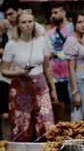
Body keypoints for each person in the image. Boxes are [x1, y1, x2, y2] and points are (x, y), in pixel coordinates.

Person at [0, 11, 57, 141]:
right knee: (22, 127)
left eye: (30, 22)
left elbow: (47, 66)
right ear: (18, 25)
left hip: (41, 86)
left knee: (47, 124)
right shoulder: (11, 45)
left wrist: (53, 88)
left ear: (34, 23)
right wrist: (17, 73)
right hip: (20, 87)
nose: (27, 25)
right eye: (24, 22)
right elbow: (4, 70)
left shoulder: (41, 41)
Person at [63, 12, 84, 121]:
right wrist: (75, 92)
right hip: (78, 79)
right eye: (79, 22)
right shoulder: (71, 40)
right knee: (77, 116)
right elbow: (71, 69)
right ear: (74, 24)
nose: (83, 25)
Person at [47, 3, 74, 122]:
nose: (53, 15)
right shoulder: (49, 33)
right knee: (59, 107)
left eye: (56, 12)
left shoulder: (74, 29)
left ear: (63, 12)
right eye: (52, 13)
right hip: (56, 78)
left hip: (72, 76)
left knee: (73, 108)